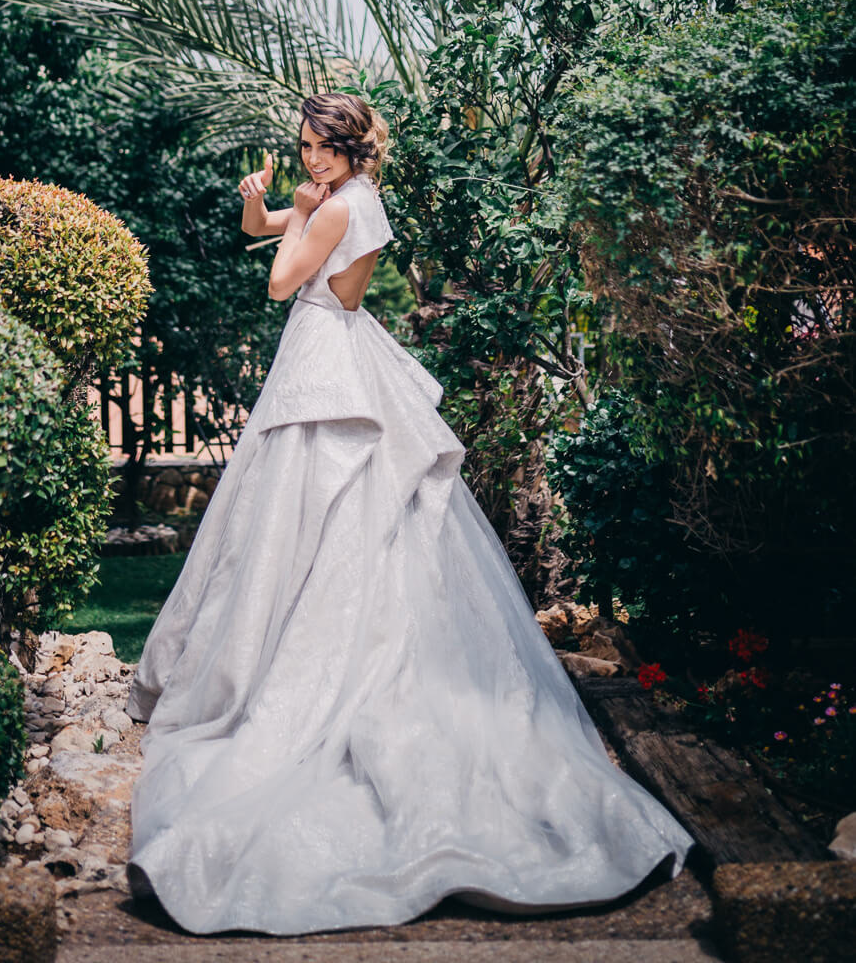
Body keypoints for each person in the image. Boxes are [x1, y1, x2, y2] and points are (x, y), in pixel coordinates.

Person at [123, 92, 694, 935]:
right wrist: (261, 201)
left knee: (312, 506)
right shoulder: (353, 199)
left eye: (323, 146)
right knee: (306, 508)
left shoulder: (334, 206)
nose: (311, 158)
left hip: (325, 352)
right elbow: (265, 229)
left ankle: (290, 666)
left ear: (351, 147)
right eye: (304, 145)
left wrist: (297, 212)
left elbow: (280, 281)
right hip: (337, 349)